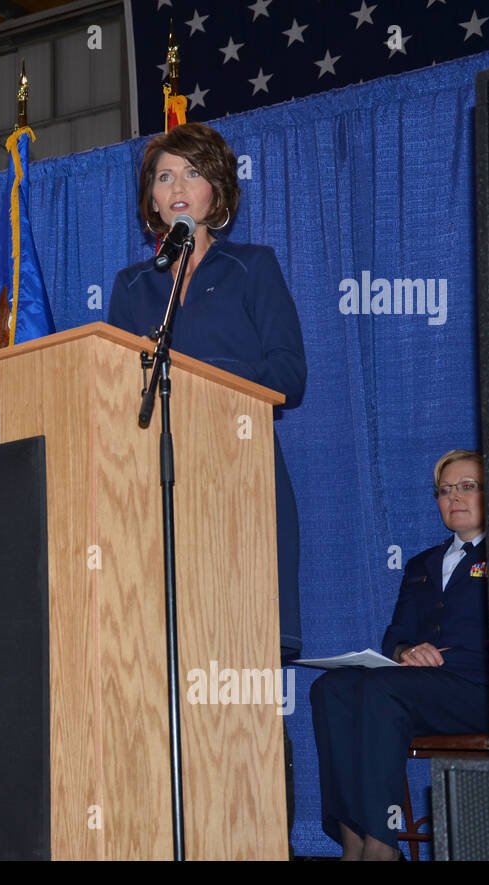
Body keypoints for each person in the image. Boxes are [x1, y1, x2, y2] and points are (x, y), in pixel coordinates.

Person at [107, 122, 307, 661]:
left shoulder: (253, 266)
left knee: (242, 647)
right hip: (159, 479)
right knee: (167, 649)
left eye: (192, 173)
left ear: (216, 188)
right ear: (150, 196)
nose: (176, 187)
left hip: (239, 469)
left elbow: (288, 378)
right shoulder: (133, 285)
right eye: (163, 176)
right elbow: (121, 396)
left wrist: (195, 370)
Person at [310, 449, 489, 861]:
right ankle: (352, 836)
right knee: (331, 687)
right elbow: (396, 634)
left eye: (467, 487)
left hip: (478, 692)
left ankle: (382, 844)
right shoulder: (421, 564)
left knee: (382, 687)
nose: (454, 498)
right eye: (445, 491)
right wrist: (408, 650)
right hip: (419, 687)